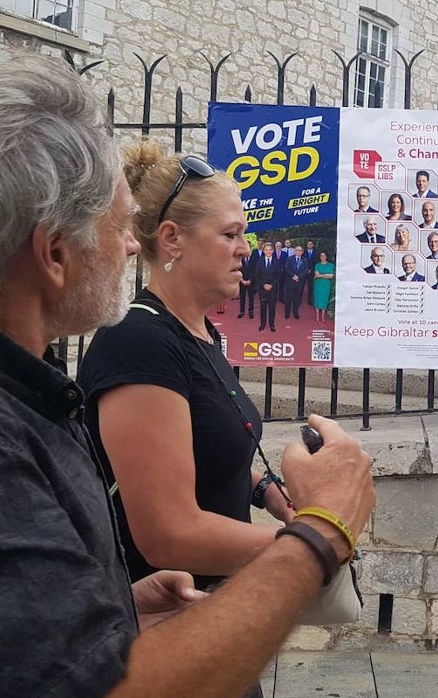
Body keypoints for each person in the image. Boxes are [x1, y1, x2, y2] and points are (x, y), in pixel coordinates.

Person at [0, 57, 375, 698]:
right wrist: (322, 532)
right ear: (54, 252)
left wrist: (119, 610)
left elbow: (12, 649)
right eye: (121, 226)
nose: (131, 245)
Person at [78, 143, 301, 604]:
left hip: (212, 611)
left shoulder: (201, 333)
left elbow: (206, 448)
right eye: (230, 234)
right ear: (173, 238)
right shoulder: (139, 343)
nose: (245, 250)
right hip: (160, 622)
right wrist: (314, 547)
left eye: (245, 234)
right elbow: (168, 535)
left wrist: (267, 490)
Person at [253, 239, 283, 331]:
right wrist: (263, 285)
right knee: (263, 308)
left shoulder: (277, 261)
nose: (268, 251)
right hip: (262, 289)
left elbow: (278, 276)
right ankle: (262, 324)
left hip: (273, 289)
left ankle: (272, 324)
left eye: (270, 249)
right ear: (263, 251)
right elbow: (256, 275)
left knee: (272, 308)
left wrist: (271, 285)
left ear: (273, 251)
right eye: (266, 250)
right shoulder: (259, 261)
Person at [284, 244, 310, 319]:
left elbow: (306, 270)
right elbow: (286, 268)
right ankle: (287, 313)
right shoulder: (289, 259)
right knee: (288, 298)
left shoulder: (305, 260)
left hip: (300, 282)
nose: (298, 252)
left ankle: (295, 312)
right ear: (295, 251)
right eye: (297, 250)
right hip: (290, 281)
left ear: (302, 252)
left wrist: (298, 277)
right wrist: (293, 276)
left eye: (300, 250)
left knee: (297, 299)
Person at [312, 251, 334, 322]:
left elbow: (331, 276)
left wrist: (320, 275)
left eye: (324, 255)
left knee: (324, 299)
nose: (322, 257)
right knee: (317, 299)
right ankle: (317, 316)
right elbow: (316, 274)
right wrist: (325, 275)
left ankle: (323, 317)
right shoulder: (317, 265)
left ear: (326, 256)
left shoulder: (330, 265)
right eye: (321, 256)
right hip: (318, 284)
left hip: (326, 285)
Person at [238, 249, 256, 318]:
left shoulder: (254, 259)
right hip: (242, 281)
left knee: (251, 297)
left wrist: (250, 280)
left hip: (251, 281)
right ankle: (242, 311)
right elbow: (238, 270)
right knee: (242, 297)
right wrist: (242, 280)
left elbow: (255, 270)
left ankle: (250, 311)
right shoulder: (240, 259)